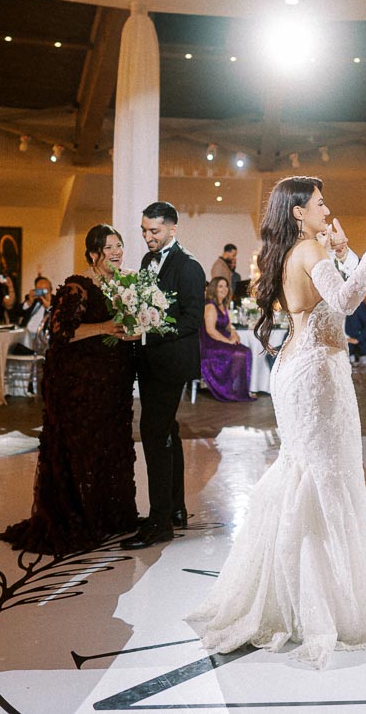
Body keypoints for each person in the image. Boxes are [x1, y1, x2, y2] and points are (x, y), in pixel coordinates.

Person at [187, 176, 366, 668]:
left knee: (309, 474)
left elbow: (330, 298)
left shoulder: (298, 251)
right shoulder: (305, 251)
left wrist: (342, 252)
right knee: (326, 478)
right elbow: (344, 303)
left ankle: (290, 597)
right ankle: (313, 606)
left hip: (304, 369)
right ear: (299, 211)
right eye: (321, 203)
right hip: (317, 376)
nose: (328, 209)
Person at [0, 225, 140, 554]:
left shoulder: (122, 286)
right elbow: (61, 332)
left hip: (112, 386)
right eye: (109, 247)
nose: (117, 251)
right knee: (82, 450)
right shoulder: (78, 286)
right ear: (93, 253)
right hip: (80, 386)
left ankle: (106, 517)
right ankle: (78, 518)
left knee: (107, 448)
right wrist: (104, 326)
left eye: (119, 245)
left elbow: (125, 332)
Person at [121, 201, 206, 551]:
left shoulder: (189, 268)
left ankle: (159, 522)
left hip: (171, 362)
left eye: (154, 230)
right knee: (167, 430)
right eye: (144, 230)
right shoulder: (146, 262)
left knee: (153, 434)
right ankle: (174, 509)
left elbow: (191, 319)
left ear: (173, 229)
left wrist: (152, 329)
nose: (147, 236)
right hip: (151, 360)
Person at [198, 275, 253, 402]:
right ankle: (226, 389)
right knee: (239, 353)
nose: (225, 289)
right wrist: (228, 341)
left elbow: (228, 326)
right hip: (211, 344)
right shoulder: (210, 306)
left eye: (226, 286)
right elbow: (210, 331)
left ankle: (234, 388)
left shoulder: (222, 305)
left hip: (221, 341)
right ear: (214, 289)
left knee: (246, 351)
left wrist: (234, 334)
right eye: (220, 286)